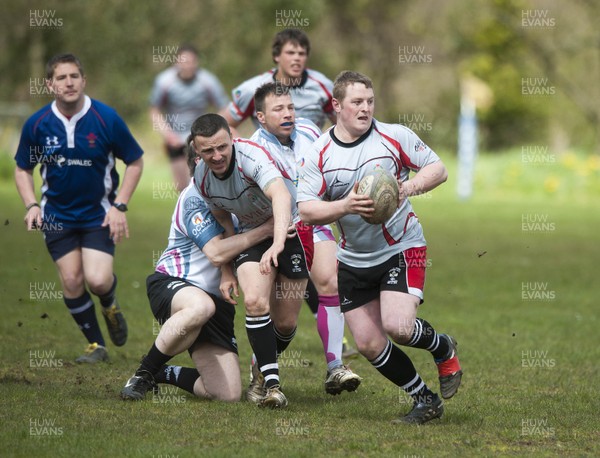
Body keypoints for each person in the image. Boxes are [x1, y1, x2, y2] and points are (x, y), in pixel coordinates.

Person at [297, 71, 463, 424]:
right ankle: (425, 400)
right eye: (357, 102)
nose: (365, 108)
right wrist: (346, 205)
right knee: (369, 344)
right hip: (353, 258)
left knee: (399, 327)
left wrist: (409, 187)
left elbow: (439, 168)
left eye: (370, 101)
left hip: (402, 246)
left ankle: (442, 347)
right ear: (336, 105)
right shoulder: (320, 153)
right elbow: (306, 210)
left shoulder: (393, 136)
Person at [14, 53, 144, 363]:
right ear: (50, 84)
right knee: (72, 280)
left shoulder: (106, 118)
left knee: (98, 280)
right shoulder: (38, 124)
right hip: (56, 216)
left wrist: (120, 205)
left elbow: (135, 161)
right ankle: (97, 346)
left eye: (74, 76)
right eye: (61, 77)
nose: (69, 82)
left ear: (84, 80)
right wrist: (31, 204)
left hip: (98, 215)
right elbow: (22, 168)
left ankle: (109, 304)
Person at [120, 150, 276, 402]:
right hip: (175, 284)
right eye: (210, 155)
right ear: (198, 163)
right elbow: (216, 253)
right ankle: (143, 373)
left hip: (218, 302)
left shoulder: (240, 195)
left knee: (226, 395)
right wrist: (267, 229)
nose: (221, 160)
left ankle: (163, 372)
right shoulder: (194, 197)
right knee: (201, 306)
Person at [249, 82, 361, 396]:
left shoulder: (311, 131)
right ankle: (260, 366)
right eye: (278, 110)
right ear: (260, 116)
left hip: (314, 219)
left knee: (330, 282)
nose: (288, 114)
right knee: (284, 323)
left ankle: (335, 367)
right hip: (281, 231)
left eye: (290, 107)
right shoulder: (254, 149)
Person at [191, 113, 309, 409]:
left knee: (284, 324)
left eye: (222, 147)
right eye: (208, 151)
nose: (217, 156)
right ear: (197, 150)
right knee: (256, 302)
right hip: (253, 236)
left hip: (290, 229)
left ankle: (260, 367)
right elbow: (222, 218)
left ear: (231, 140)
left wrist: (279, 242)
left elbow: (281, 196)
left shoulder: (251, 156)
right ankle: (271, 385)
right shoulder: (201, 178)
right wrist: (226, 271)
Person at [220, 28, 335, 131]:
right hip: (266, 153)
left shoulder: (324, 87)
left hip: (311, 153)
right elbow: (221, 126)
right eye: (290, 53)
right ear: (277, 56)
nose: (296, 58)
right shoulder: (253, 89)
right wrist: (244, 149)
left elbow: (344, 127)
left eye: (301, 54)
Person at [150, 44, 229, 192]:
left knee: (201, 183)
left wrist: (212, 131)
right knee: (182, 187)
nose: (187, 66)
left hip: (199, 139)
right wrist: (167, 135)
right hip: (174, 139)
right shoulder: (164, 81)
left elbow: (225, 108)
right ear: (176, 62)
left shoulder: (208, 81)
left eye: (191, 62)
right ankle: (186, 213)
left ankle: (209, 212)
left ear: (196, 62)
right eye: (183, 62)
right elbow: (154, 111)